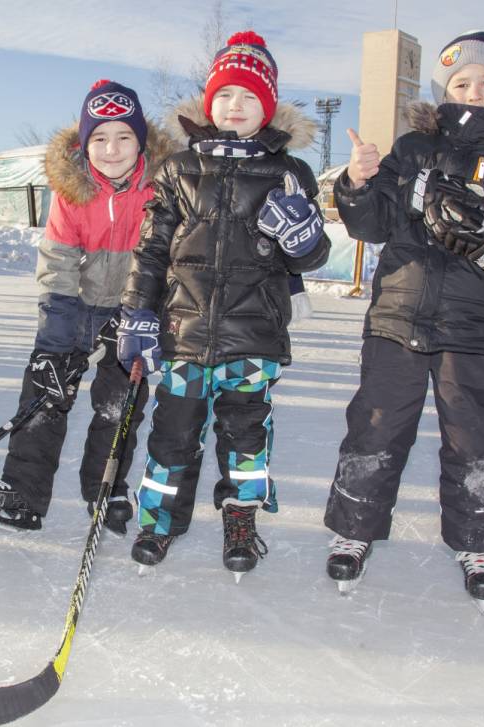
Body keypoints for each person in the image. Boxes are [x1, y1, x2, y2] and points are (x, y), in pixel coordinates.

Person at [323, 31, 484, 609]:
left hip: (475, 328)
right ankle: (353, 531)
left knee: (475, 438)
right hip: (397, 316)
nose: (475, 91)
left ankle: (478, 541)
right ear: (444, 92)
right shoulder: (413, 149)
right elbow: (369, 224)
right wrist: (357, 184)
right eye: (462, 83)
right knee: (376, 426)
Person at [116, 32, 331, 577]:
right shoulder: (179, 170)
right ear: (209, 103)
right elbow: (150, 250)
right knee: (172, 433)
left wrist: (303, 239)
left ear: (269, 106)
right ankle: (160, 521)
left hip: (253, 335)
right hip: (183, 332)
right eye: (227, 96)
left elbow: (313, 256)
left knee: (245, 435)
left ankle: (241, 517)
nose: (237, 107)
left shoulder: (291, 172)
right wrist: (137, 313)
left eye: (250, 98)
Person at [0, 80, 174, 534]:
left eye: (124, 136)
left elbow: (168, 256)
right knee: (44, 395)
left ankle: (107, 486)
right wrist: (57, 334)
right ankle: (23, 491)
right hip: (76, 306)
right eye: (99, 138)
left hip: (133, 309)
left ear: (142, 141)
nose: (111, 149)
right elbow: (58, 259)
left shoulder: (162, 188)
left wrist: (144, 311)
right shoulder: (73, 190)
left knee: (119, 405)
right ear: (85, 144)